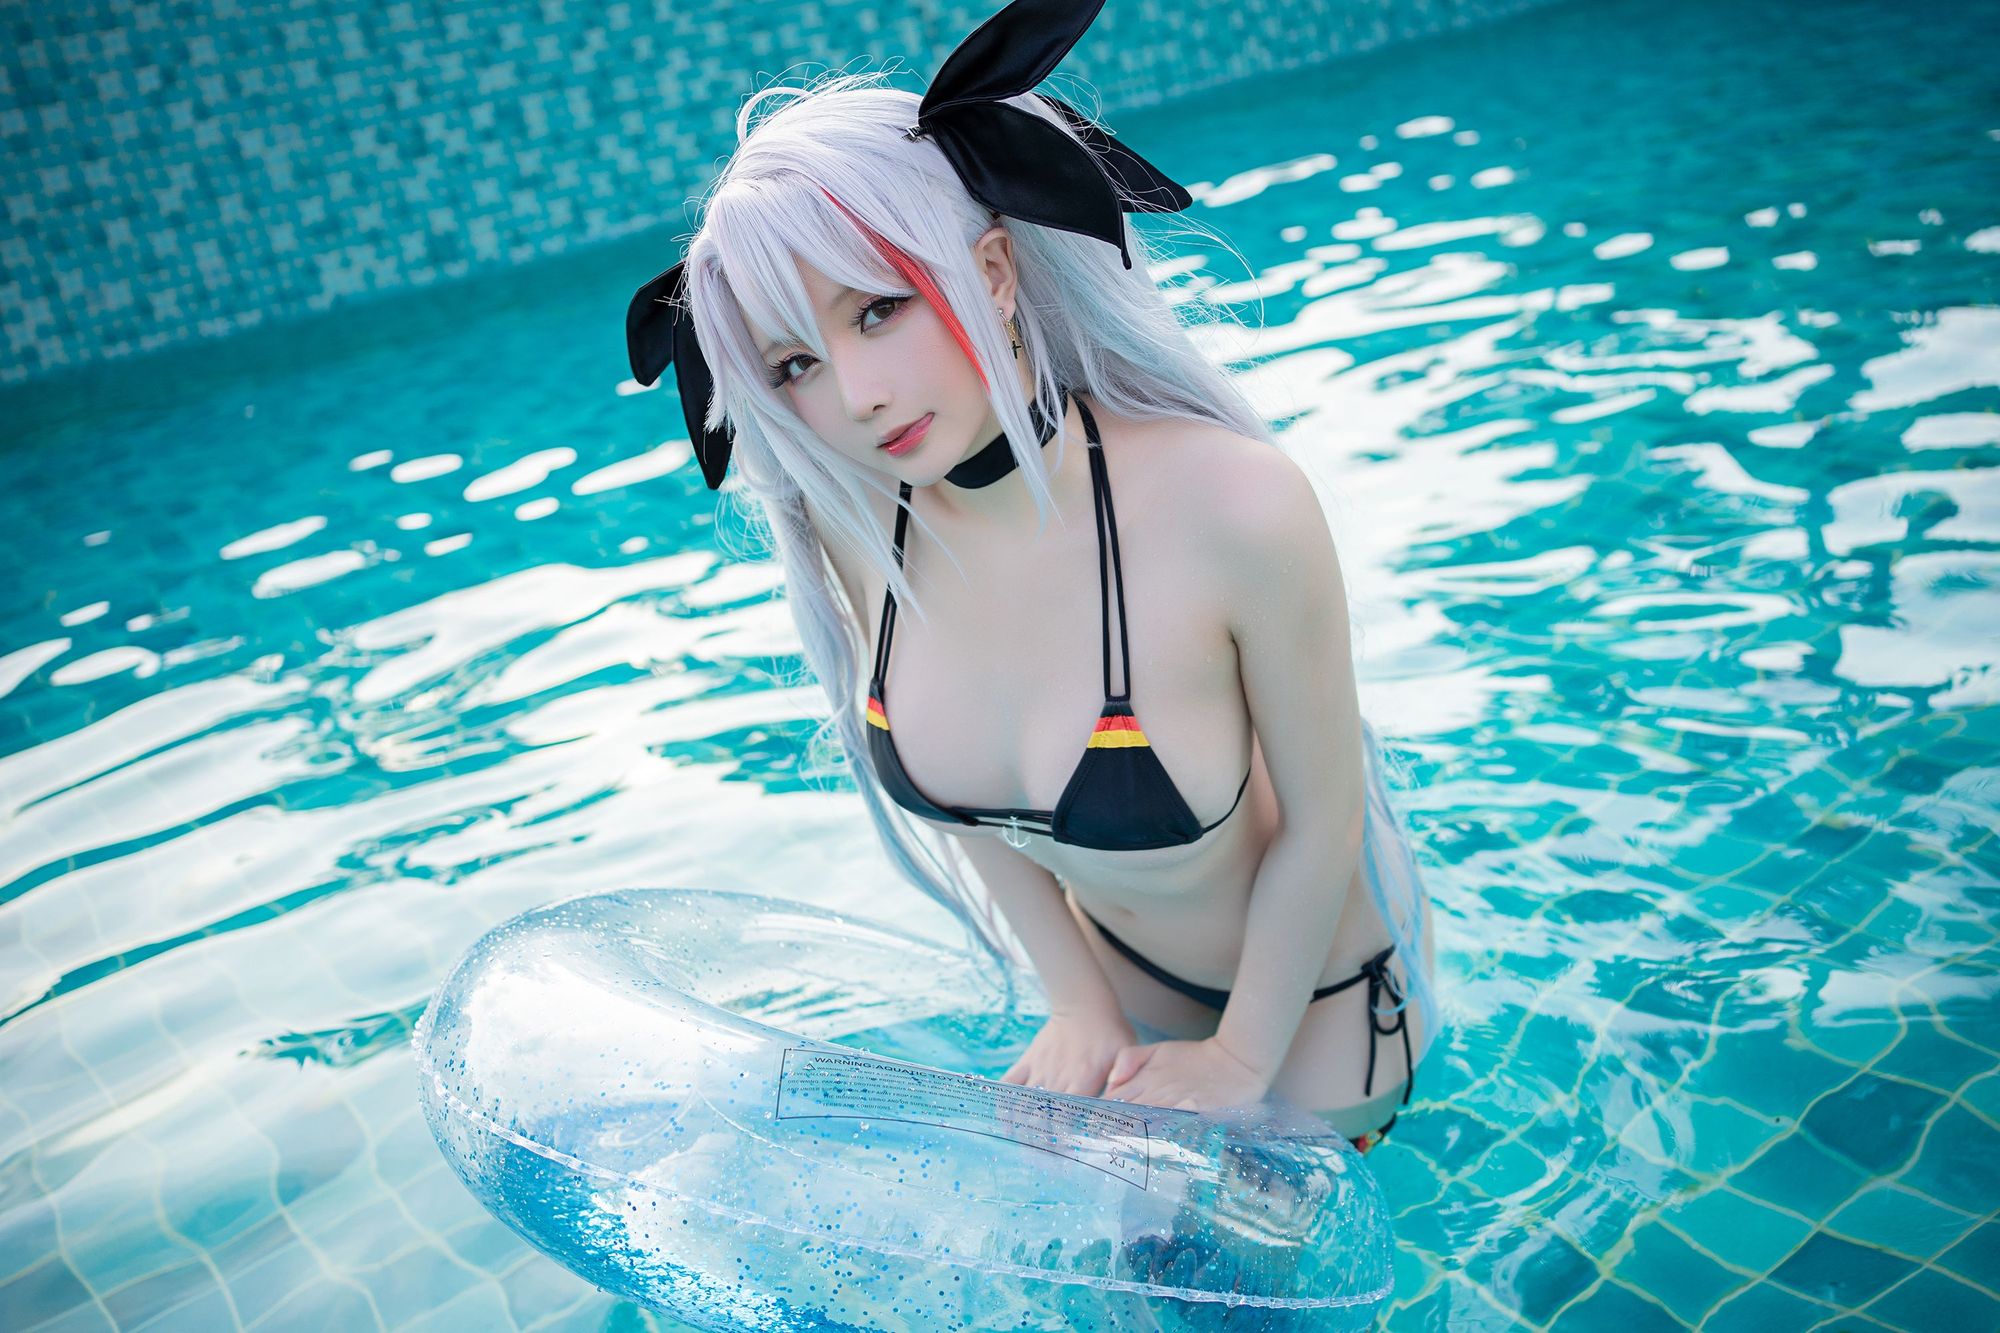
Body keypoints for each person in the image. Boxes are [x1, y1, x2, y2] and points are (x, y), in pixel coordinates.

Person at [625, 0, 1440, 1153]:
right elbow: (960, 798)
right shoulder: (865, 531)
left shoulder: (1231, 506)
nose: (854, 394)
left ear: (995, 271)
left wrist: (1238, 1060)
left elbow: (1325, 819)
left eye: (878, 310)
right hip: (1117, 998)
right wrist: (1078, 1002)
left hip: (1315, 1010)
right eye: (795, 363)